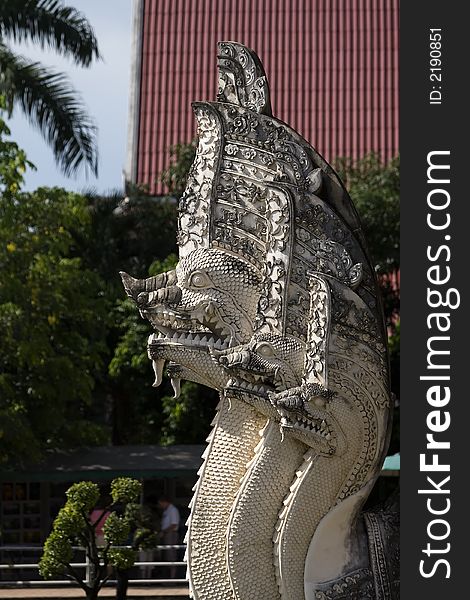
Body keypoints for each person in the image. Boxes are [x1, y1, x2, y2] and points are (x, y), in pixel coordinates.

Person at [158, 496, 180, 579]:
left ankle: (172, 577)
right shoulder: (166, 511)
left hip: (171, 534)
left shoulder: (173, 510)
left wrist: (164, 531)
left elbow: (174, 524)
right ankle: (168, 577)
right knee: (167, 555)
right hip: (166, 534)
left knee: (171, 555)